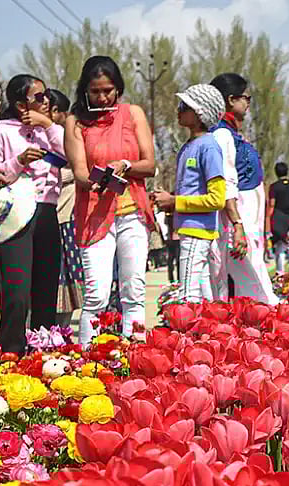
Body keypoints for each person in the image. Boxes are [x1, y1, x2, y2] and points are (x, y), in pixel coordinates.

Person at [64, 56, 156, 344]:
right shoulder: (75, 122)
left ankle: (134, 354)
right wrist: (98, 179)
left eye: (108, 90)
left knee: (134, 291)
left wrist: (125, 165)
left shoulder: (133, 114)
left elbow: (149, 164)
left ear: (118, 88)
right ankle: (86, 356)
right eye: (95, 92)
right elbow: (80, 172)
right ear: (85, 90)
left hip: (133, 214)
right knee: (96, 295)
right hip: (95, 214)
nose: (103, 98)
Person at [0, 74, 65, 355]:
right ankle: (11, 352)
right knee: (17, 291)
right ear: (19, 105)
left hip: (47, 211)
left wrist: (48, 125)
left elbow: (73, 155)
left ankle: (44, 353)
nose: (46, 100)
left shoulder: (50, 131)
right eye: (38, 97)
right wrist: (18, 161)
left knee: (46, 289)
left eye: (47, 94)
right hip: (15, 216)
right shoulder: (0, 133)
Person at [152, 84, 226, 304]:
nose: (179, 110)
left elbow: (217, 199)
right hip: (188, 229)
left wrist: (174, 201)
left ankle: (189, 327)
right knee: (203, 295)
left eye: (185, 106)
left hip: (198, 231)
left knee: (188, 295)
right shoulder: (188, 147)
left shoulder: (208, 147)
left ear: (200, 113)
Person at [208, 73, 278, 304]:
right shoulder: (221, 134)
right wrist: (237, 223)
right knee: (249, 276)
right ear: (231, 100)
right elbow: (225, 183)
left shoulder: (232, 134)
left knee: (253, 271)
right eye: (246, 98)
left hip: (248, 215)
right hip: (237, 215)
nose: (248, 103)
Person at [45, 88, 82, 328]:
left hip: (66, 217)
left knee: (67, 279)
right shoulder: (38, 136)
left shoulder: (66, 135)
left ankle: (62, 331)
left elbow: (77, 167)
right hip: (47, 215)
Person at [266, 161, 289, 275]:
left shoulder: (274, 187)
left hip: (279, 220)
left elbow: (272, 204)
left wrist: (268, 218)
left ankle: (280, 272)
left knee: (280, 245)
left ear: (276, 173)